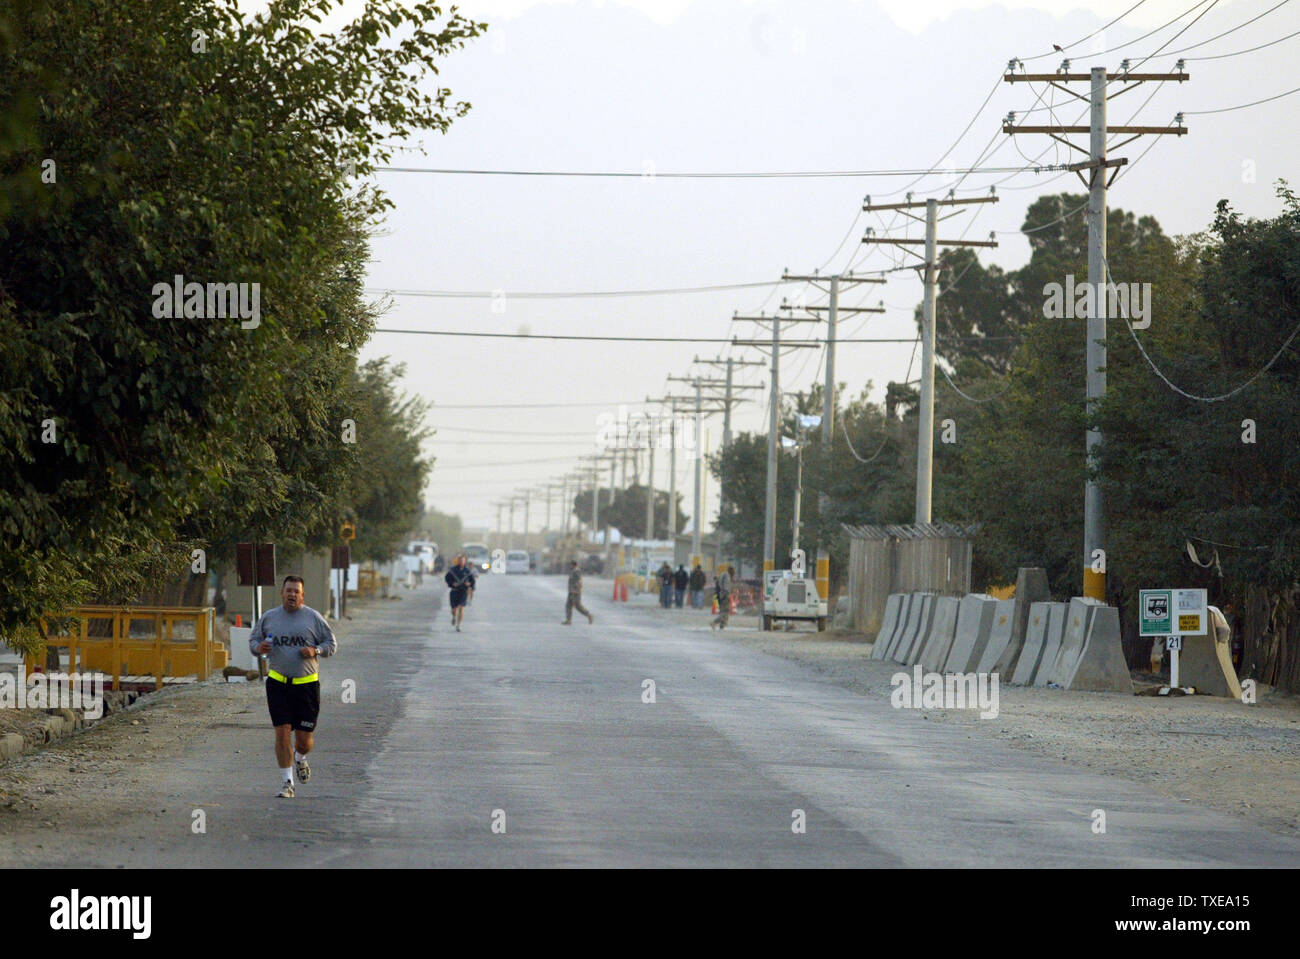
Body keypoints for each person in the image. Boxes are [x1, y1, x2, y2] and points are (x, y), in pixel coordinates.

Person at [249, 575, 337, 799]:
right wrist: (259, 647)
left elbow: (331, 644)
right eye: (288, 590)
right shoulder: (269, 618)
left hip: (306, 686)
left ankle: (300, 757)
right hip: (278, 683)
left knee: (304, 741)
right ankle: (287, 782)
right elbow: (253, 642)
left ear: (302, 595)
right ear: (282, 593)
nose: (292, 595)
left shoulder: (313, 618)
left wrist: (315, 651)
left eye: (296, 591)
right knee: (282, 732)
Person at [444, 553, 476, 631]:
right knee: (454, 610)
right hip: (454, 592)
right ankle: (454, 617)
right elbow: (447, 578)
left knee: (461, 608)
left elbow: (472, 581)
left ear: (465, 561)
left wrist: (470, 584)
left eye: (463, 560)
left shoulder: (467, 571)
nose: (461, 562)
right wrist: (452, 584)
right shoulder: (453, 570)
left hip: (463, 592)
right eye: (460, 560)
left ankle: (458, 625)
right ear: (458, 561)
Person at [562, 560, 595, 625]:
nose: (569, 566)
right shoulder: (573, 571)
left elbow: (578, 581)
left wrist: (575, 590)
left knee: (578, 606)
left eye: (570, 565)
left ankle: (589, 615)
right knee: (568, 605)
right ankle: (568, 620)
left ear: (573, 565)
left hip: (575, 592)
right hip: (571, 591)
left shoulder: (576, 571)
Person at [711, 564, 733, 630]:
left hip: (719, 596)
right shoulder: (727, 576)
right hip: (724, 596)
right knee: (725, 612)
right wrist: (727, 595)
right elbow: (726, 587)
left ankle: (722, 625)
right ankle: (715, 622)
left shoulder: (722, 574)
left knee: (723, 611)